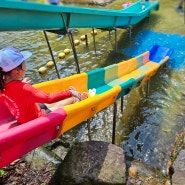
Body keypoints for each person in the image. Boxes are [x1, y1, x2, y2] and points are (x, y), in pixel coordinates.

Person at [0, 47, 88, 124]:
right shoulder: (24, 88)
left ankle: (73, 98)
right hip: (35, 118)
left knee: (51, 104)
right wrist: (69, 92)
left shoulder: (2, 84)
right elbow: (48, 98)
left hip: (27, 114)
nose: (25, 67)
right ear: (16, 71)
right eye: (24, 64)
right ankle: (77, 101)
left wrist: (21, 84)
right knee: (64, 108)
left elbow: (14, 92)